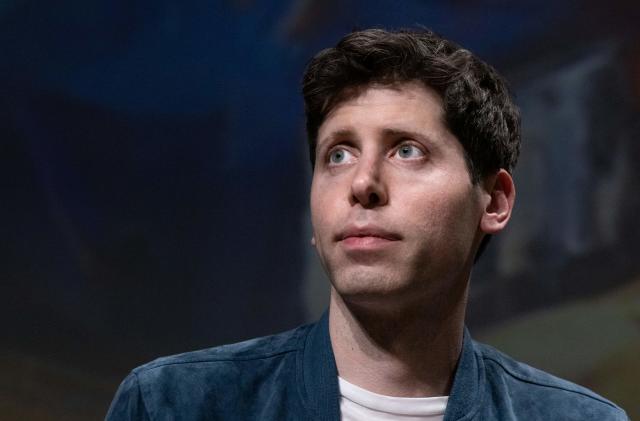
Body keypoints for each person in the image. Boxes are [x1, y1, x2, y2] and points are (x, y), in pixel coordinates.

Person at [106, 28, 628, 420]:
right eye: (338, 155)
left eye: (407, 150)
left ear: (494, 201)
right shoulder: (173, 405)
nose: (362, 183)